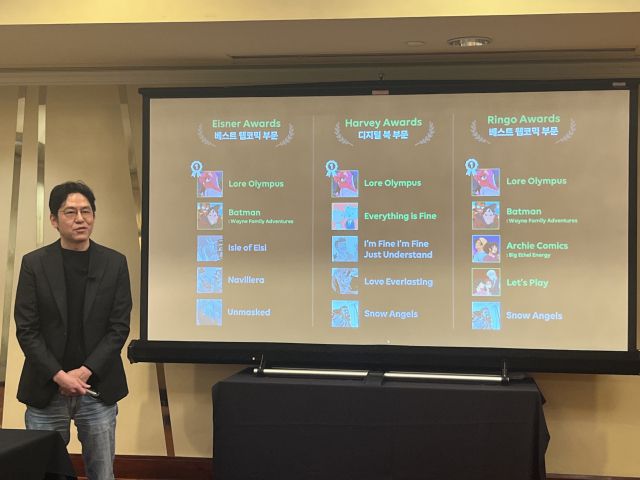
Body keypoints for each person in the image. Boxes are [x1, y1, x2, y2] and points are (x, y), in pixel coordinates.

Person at [14, 181, 132, 480]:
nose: (80, 219)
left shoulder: (114, 263)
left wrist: (84, 371)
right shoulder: (34, 264)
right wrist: (60, 375)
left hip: (97, 388)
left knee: (102, 473)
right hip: (46, 388)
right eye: (70, 212)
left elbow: (118, 328)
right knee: (44, 471)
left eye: (86, 211)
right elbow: (27, 329)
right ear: (54, 220)